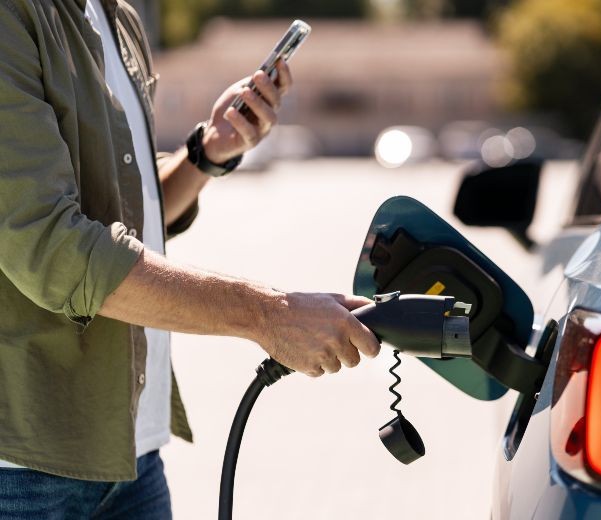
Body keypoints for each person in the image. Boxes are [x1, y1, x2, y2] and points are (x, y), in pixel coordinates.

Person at [0, 1, 380, 517]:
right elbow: (50, 245)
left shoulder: (119, 18)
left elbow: (126, 214)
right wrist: (268, 315)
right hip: (23, 470)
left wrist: (206, 153)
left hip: (133, 451)